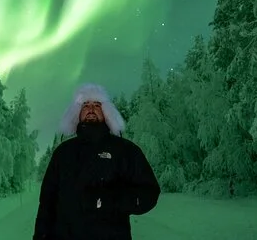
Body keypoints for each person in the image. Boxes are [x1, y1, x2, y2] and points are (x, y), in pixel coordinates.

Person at [33, 83, 161, 240]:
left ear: (106, 112)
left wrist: (111, 200)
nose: (91, 109)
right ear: (77, 113)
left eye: (97, 105)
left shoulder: (125, 150)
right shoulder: (63, 152)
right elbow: (47, 202)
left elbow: (149, 192)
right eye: (85, 105)